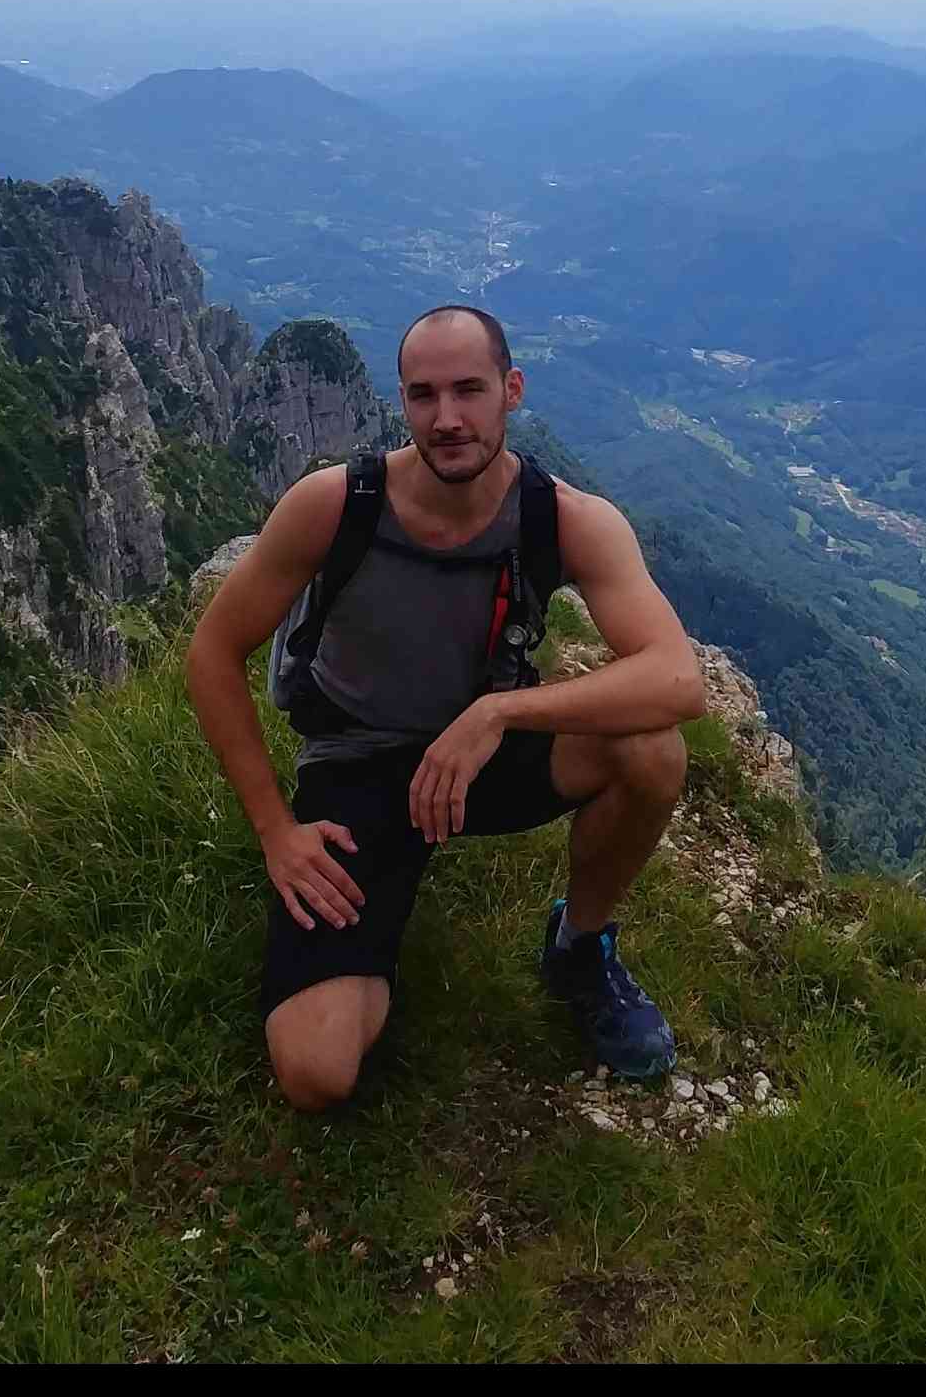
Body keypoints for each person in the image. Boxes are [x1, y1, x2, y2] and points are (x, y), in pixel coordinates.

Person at [186, 305, 705, 1113]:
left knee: (652, 749)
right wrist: (275, 832)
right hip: (357, 765)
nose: (448, 418)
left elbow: (678, 680)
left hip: (484, 755)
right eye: (424, 395)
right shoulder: (336, 505)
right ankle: (374, 926)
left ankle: (579, 948)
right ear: (402, 402)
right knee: (316, 1072)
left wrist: (495, 716)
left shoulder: (565, 520)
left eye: (470, 390)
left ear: (512, 390)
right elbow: (213, 653)